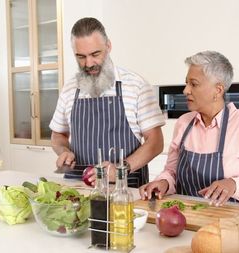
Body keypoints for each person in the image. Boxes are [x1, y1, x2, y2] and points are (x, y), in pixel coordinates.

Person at [139, 51, 239, 206]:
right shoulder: (183, 123)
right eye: (186, 83)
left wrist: (234, 185)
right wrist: (164, 183)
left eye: (193, 84)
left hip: (232, 223)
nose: (186, 90)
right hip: (187, 218)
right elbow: (172, 172)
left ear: (218, 90)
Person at [49, 17, 165, 188]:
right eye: (81, 57)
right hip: (78, 189)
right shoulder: (69, 88)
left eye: (95, 54)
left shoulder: (136, 86)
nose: (89, 64)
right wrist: (64, 151)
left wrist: (120, 169)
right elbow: (58, 135)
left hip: (124, 190)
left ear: (108, 46)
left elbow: (155, 142)